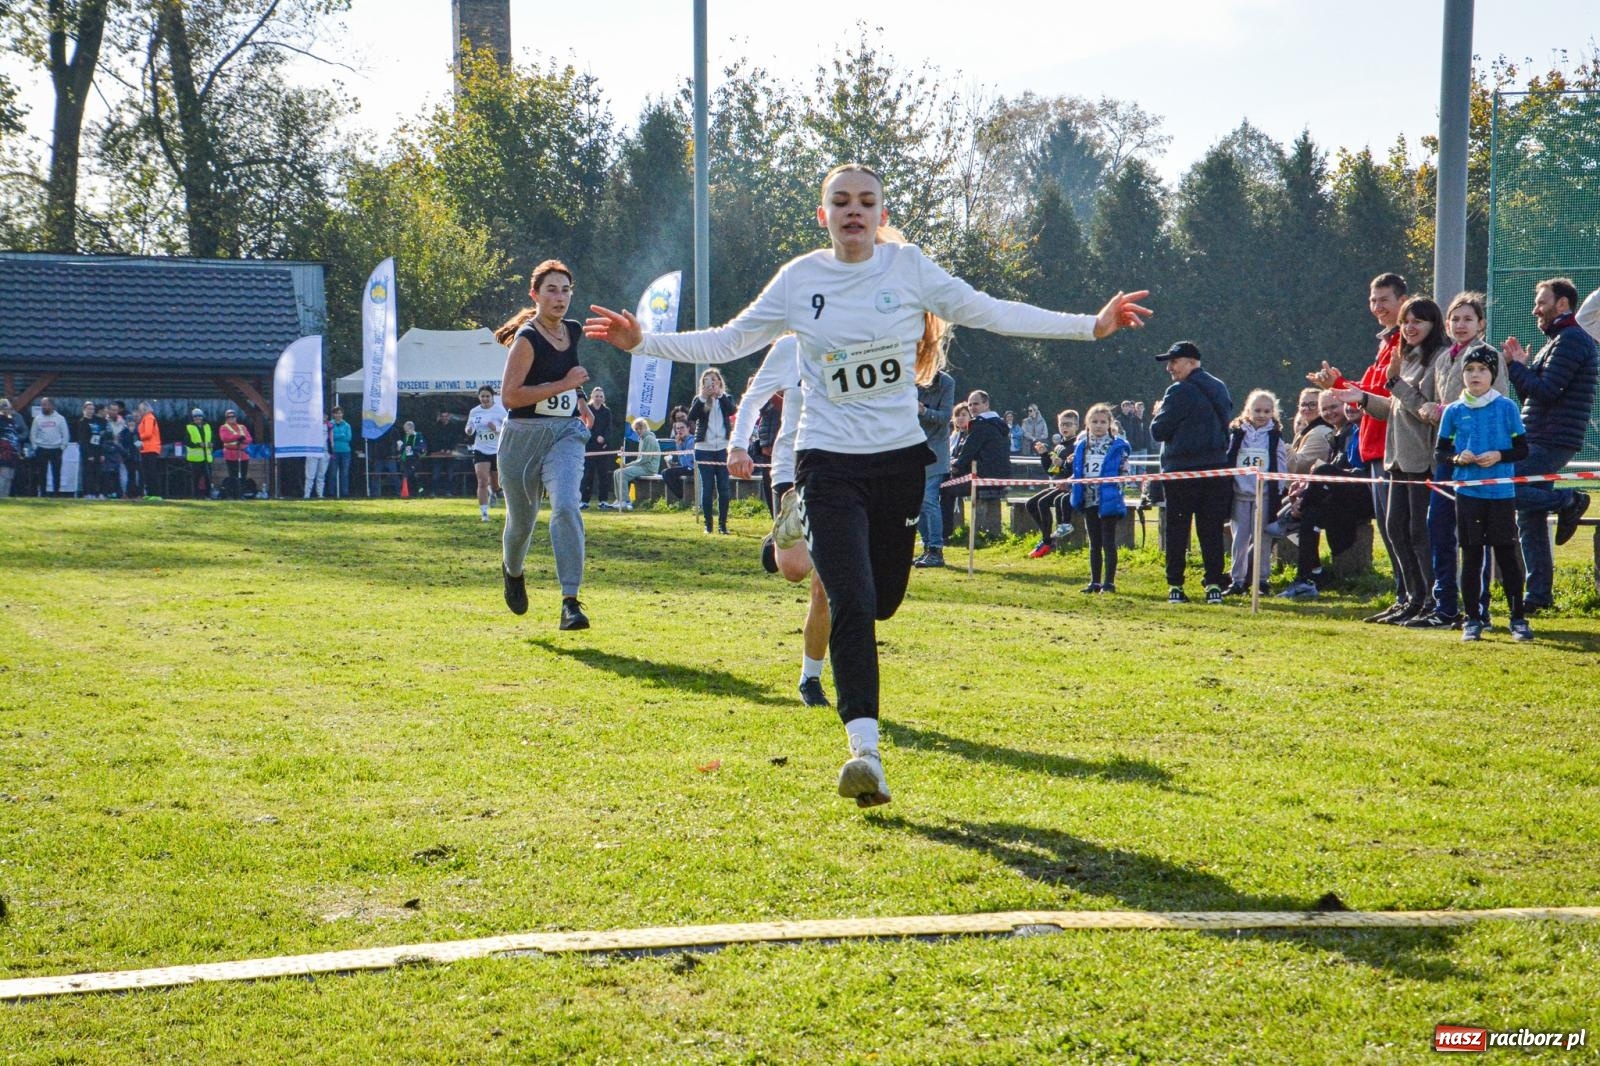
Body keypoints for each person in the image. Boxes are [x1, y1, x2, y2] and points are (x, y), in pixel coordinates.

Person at [584, 160, 1150, 808]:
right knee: (849, 602)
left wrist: (1091, 324)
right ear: (824, 217)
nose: (854, 211)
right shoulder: (800, 281)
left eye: (866, 201)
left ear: (881, 216)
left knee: (879, 602)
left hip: (898, 464)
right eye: (841, 202)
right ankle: (865, 755)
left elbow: (991, 311)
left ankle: (856, 678)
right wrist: (643, 342)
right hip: (826, 465)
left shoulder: (907, 272)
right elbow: (729, 341)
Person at [727, 334, 837, 707]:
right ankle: (776, 541)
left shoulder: (867, 338)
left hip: (842, 472)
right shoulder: (791, 346)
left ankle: (811, 678)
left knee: (826, 586)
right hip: (793, 467)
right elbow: (752, 398)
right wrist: (738, 445)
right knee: (793, 569)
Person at [1335, 296, 1447, 624]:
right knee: (1394, 527)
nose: (1410, 328)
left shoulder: (1439, 360)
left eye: (1417, 321)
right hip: (1396, 457)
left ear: (1433, 324)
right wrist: (1364, 399)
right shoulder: (1406, 359)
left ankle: (1431, 600)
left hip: (1422, 460)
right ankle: (1411, 598)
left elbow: (1430, 412)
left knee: (1418, 531)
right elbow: (1396, 408)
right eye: (1405, 322)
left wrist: (1396, 384)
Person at [497, 259, 592, 631]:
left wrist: (579, 398)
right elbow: (510, 397)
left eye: (566, 289)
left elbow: (568, 373)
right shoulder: (526, 339)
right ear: (534, 295)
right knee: (521, 523)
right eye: (551, 289)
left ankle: (571, 602)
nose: (560, 297)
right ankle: (513, 571)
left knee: (567, 506)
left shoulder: (573, 330)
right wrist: (566, 386)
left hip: (565, 434)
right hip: (522, 439)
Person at [1309, 273, 1409, 620]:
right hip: (1374, 448)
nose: (1377, 307)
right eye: (1372, 300)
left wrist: (1352, 392)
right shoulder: (1385, 344)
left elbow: (1387, 398)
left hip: (1394, 448)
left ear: (1402, 301)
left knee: (1402, 531)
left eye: (1384, 300)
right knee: (1391, 530)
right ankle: (1404, 597)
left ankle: (1415, 598)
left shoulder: (1406, 344)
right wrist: (1336, 383)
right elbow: (1364, 395)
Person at [1406, 292, 1505, 629]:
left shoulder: (1489, 356)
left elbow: (1496, 403)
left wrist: (1448, 410)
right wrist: (1427, 408)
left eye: (1468, 319)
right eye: (1455, 319)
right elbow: (1428, 402)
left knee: (1475, 534)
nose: (1461, 325)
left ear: (1481, 324)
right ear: (1446, 324)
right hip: (1447, 455)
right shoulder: (1443, 358)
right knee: (1439, 527)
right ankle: (1446, 607)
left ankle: (1480, 611)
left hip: (1478, 458)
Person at [1502, 277, 1598, 612]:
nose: (1535, 310)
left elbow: (1546, 391)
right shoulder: (1559, 340)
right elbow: (1536, 392)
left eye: (1542, 302)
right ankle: (1538, 596)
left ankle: (1569, 500)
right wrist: (1522, 370)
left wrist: (1516, 367)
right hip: (1544, 434)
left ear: (1562, 304)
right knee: (1529, 515)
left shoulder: (1571, 340)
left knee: (1505, 487)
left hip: (1552, 438)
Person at [1435, 347, 1532, 641]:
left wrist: (1499, 456)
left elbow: (1522, 449)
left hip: (1501, 493)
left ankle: (1518, 618)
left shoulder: (1507, 408)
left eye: (1481, 369)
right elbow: (1441, 451)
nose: (1475, 375)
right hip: (1468, 494)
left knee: (1506, 554)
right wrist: (1457, 458)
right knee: (1472, 555)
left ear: (1493, 374)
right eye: (1469, 369)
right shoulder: (1453, 411)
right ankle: (1473, 619)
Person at [1149, 341, 1232, 604]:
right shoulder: (1219, 387)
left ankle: (1175, 585)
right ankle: (1214, 586)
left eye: (1175, 362)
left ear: (1192, 362)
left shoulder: (1179, 391)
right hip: (1215, 470)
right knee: (1211, 529)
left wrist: (1158, 412)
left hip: (1182, 472)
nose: (1170, 368)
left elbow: (1158, 431)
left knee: (1177, 530)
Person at [1274, 389, 1352, 599]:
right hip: (1330, 493)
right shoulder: (1335, 433)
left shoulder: (1325, 433)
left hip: (1356, 495)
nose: (1328, 412)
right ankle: (1310, 576)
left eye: (1333, 407)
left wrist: (1282, 446)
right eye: (1324, 408)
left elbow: (1305, 466)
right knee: (1308, 511)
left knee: (1309, 492)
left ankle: (1288, 516)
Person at [1223, 390, 1288, 596]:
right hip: (1239, 494)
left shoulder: (1274, 436)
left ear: (1273, 413)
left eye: (1266, 411)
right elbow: (1229, 457)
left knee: (1263, 539)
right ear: (1248, 410)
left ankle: (1261, 580)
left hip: (1265, 496)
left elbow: (1281, 464)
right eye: (1257, 410)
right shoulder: (1237, 433)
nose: (1261, 414)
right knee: (1239, 539)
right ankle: (1237, 580)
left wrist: (1279, 488)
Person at [1069, 403, 1131, 592]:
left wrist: (1119, 484)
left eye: (1103, 422)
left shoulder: (1117, 445)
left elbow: (1125, 471)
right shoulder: (1082, 445)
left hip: (1109, 499)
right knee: (1094, 542)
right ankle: (1095, 582)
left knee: (1108, 541)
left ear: (1109, 424)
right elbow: (1079, 470)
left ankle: (1109, 583)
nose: (1098, 425)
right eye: (1094, 422)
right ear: (1088, 423)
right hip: (1088, 498)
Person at [913, 338, 955, 569]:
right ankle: (927, 546)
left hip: (936, 452)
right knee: (917, 503)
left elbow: (944, 418)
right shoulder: (911, 381)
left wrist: (923, 410)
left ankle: (937, 550)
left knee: (929, 500)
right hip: (913, 450)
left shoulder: (947, 383)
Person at [687, 368, 736, 534]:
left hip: (723, 448)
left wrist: (719, 395)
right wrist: (703, 398)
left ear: (720, 382)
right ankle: (708, 525)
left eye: (714, 380)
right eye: (707, 381)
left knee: (724, 487)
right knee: (707, 487)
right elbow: (691, 417)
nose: (712, 384)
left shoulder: (726, 398)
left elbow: (731, 411)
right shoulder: (699, 400)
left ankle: (723, 525)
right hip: (704, 448)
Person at [1024, 409, 1078, 558]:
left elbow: (1075, 469)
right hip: (1058, 483)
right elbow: (1052, 471)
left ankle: (1047, 542)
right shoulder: (1060, 446)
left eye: (1068, 424)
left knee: (1042, 503)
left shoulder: (1077, 445)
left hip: (1069, 487)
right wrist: (1044, 454)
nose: (1064, 427)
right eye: (1061, 424)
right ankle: (1047, 538)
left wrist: (1063, 465)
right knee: (1030, 504)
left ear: (1076, 426)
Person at [465, 385, 507, 521]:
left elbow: (508, 428)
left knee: (496, 484)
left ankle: (494, 492)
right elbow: (469, 426)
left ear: (492, 397)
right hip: (480, 449)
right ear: (479, 397)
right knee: (482, 481)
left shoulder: (500, 411)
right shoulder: (474, 411)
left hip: (496, 450)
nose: (485, 399)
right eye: (482, 396)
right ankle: (484, 514)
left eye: (487, 396)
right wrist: (469, 430)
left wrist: (496, 429)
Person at [605, 417, 661, 509]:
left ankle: (625, 501)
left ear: (645, 428)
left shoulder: (649, 439)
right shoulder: (642, 439)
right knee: (617, 472)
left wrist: (628, 465)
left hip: (649, 467)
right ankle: (619, 499)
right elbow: (641, 459)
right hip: (643, 466)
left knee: (622, 473)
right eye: (636, 429)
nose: (638, 431)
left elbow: (645, 459)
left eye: (640, 428)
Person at [938, 401, 973, 538]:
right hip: (949, 474)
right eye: (957, 415)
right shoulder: (953, 436)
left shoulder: (971, 435)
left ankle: (944, 533)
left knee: (945, 492)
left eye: (964, 415)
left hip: (965, 476)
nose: (960, 418)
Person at [580, 385, 614, 509]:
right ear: (592, 397)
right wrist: (595, 437)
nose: (598, 398)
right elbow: (584, 426)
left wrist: (604, 438)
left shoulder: (607, 412)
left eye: (601, 396)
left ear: (603, 398)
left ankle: (603, 501)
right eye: (596, 396)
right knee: (587, 475)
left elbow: (609, 428)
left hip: (603, 449)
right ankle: (584, 501)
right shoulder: (586, 410)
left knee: (603, 475)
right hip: (589, 448)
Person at [29, 397, 68, 497]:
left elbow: (65, 434)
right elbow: (33, 434)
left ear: (51, 406)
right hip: (41, 449)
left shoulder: (60, 418)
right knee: (42, 473)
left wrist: (62, 447)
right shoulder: (38, 419)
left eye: (45, 405)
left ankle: (56, 494)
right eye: (42, 405)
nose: (43, 407)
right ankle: (43, 494)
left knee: (56, 473)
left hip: (56, 449)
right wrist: (35, 447)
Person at [75, 401, 108, 499]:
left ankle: (98, 492)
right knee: (88, 473)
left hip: (98, 450)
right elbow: (83, 440)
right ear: (84, 410)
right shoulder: (82, 422)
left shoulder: (97, 421)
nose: (90, 411)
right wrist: (89, 454)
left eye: (92, 409)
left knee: (98, 473)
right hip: (88, 451)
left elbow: (101, 436)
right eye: (88, 409)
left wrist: (102, 453)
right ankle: (88, 493)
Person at [218, 409, 253, 497]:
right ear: (226, 418)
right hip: (231, 454)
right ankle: (233, 493)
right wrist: (238, 437)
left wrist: (243, 440)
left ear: (236, 417)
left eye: (233, 416)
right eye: (229, 417)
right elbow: (225, 438)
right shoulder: (224, 427)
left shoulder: (242, 427)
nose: (231, 418)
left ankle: (241, 493)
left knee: (243, 475)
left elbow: (249, 439)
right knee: (233, 475)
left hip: (243, 454)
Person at [661, 420, 695, 504]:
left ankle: (682, 496)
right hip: (688, 468)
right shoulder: (679, 442)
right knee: (667, 472)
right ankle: (682, 497)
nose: (679, 430)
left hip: (695, 468)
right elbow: (683, 462)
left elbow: (689, 463)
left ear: (688, 428)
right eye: (677, 428)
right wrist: (673, 464)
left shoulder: (692, 441)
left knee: (666, 473)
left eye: (682, 428)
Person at [184, 408, 215, 498]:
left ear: (202, 417)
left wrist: (212, 444)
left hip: (207, 457)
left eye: (199, 416)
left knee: (208, 478)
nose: (197, 418)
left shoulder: (207, 426)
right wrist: (198, 445)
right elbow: (187, 442)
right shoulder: (189, 427)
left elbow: (213, 438)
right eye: (195, 416)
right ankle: (195, 495)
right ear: (193, 418)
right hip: (195, 458)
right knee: (195, 478)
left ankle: (208, 495)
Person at [136, 401, 162, 499]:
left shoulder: (149, 418)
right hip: (146, 449)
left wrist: (138, 437)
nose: (139, 412)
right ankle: (151, 493)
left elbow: (147, 434)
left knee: (151, 472)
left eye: (140, 410)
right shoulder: (146, 418)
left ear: (145, 409)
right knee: (147, 472)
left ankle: (155, 493)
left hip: (150, 448)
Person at [394, 421, 427, 494]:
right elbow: (403, 447)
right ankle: (408, 492)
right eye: (405, 430)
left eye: (407, 430)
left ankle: (420, 490)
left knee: (413, 475)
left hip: (415, 460)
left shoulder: (418, 436)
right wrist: (399, 448)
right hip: (405, 460)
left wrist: (412, 448)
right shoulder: (406, 437)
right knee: (406, 475)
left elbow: (422, 448)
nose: (405, 432)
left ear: (412, 428)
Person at [0, 399, 24, 498]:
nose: (8, 410)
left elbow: (15, 436)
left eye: (9, 408)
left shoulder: (12, 421)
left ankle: (5, 498)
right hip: (3, 452)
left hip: (12, 452)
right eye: (6, 408)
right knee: (4, 475)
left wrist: (17, 450)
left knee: (10, 476)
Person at [327, 407, 353, 498]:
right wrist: (341, 435)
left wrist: (336, 436)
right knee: (332, 473)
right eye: (337, 413)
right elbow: (329, 437)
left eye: (340, 413)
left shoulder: (347, 425)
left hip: (346, 452)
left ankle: (344, 493)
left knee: (344, 473)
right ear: (333, 414)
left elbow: (348, 438)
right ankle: (331, 493)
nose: (339, 415)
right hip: (334, 452)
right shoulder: (330, 424)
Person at [303, 425, 329, 499]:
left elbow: (331, 438)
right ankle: (307, 495)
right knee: (310, 475)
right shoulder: (310, 424)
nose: (324, 417)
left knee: (321, 475)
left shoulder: (329, 426)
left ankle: (320, 494)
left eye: (325, 415)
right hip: (312, 451)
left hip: (325, 451)